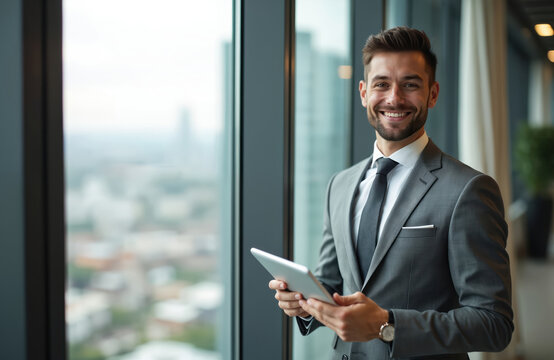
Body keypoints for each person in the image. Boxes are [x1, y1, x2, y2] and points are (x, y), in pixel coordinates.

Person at [269, 27, 513, 359]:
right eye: (381, 84)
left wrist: (387, 324)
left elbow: (493, 323)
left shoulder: (468, 190)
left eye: (410, 85)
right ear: (363, 93)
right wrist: (304, 302)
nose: (394, 98)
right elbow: (334, 285)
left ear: (433, 93)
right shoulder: (339, 185)